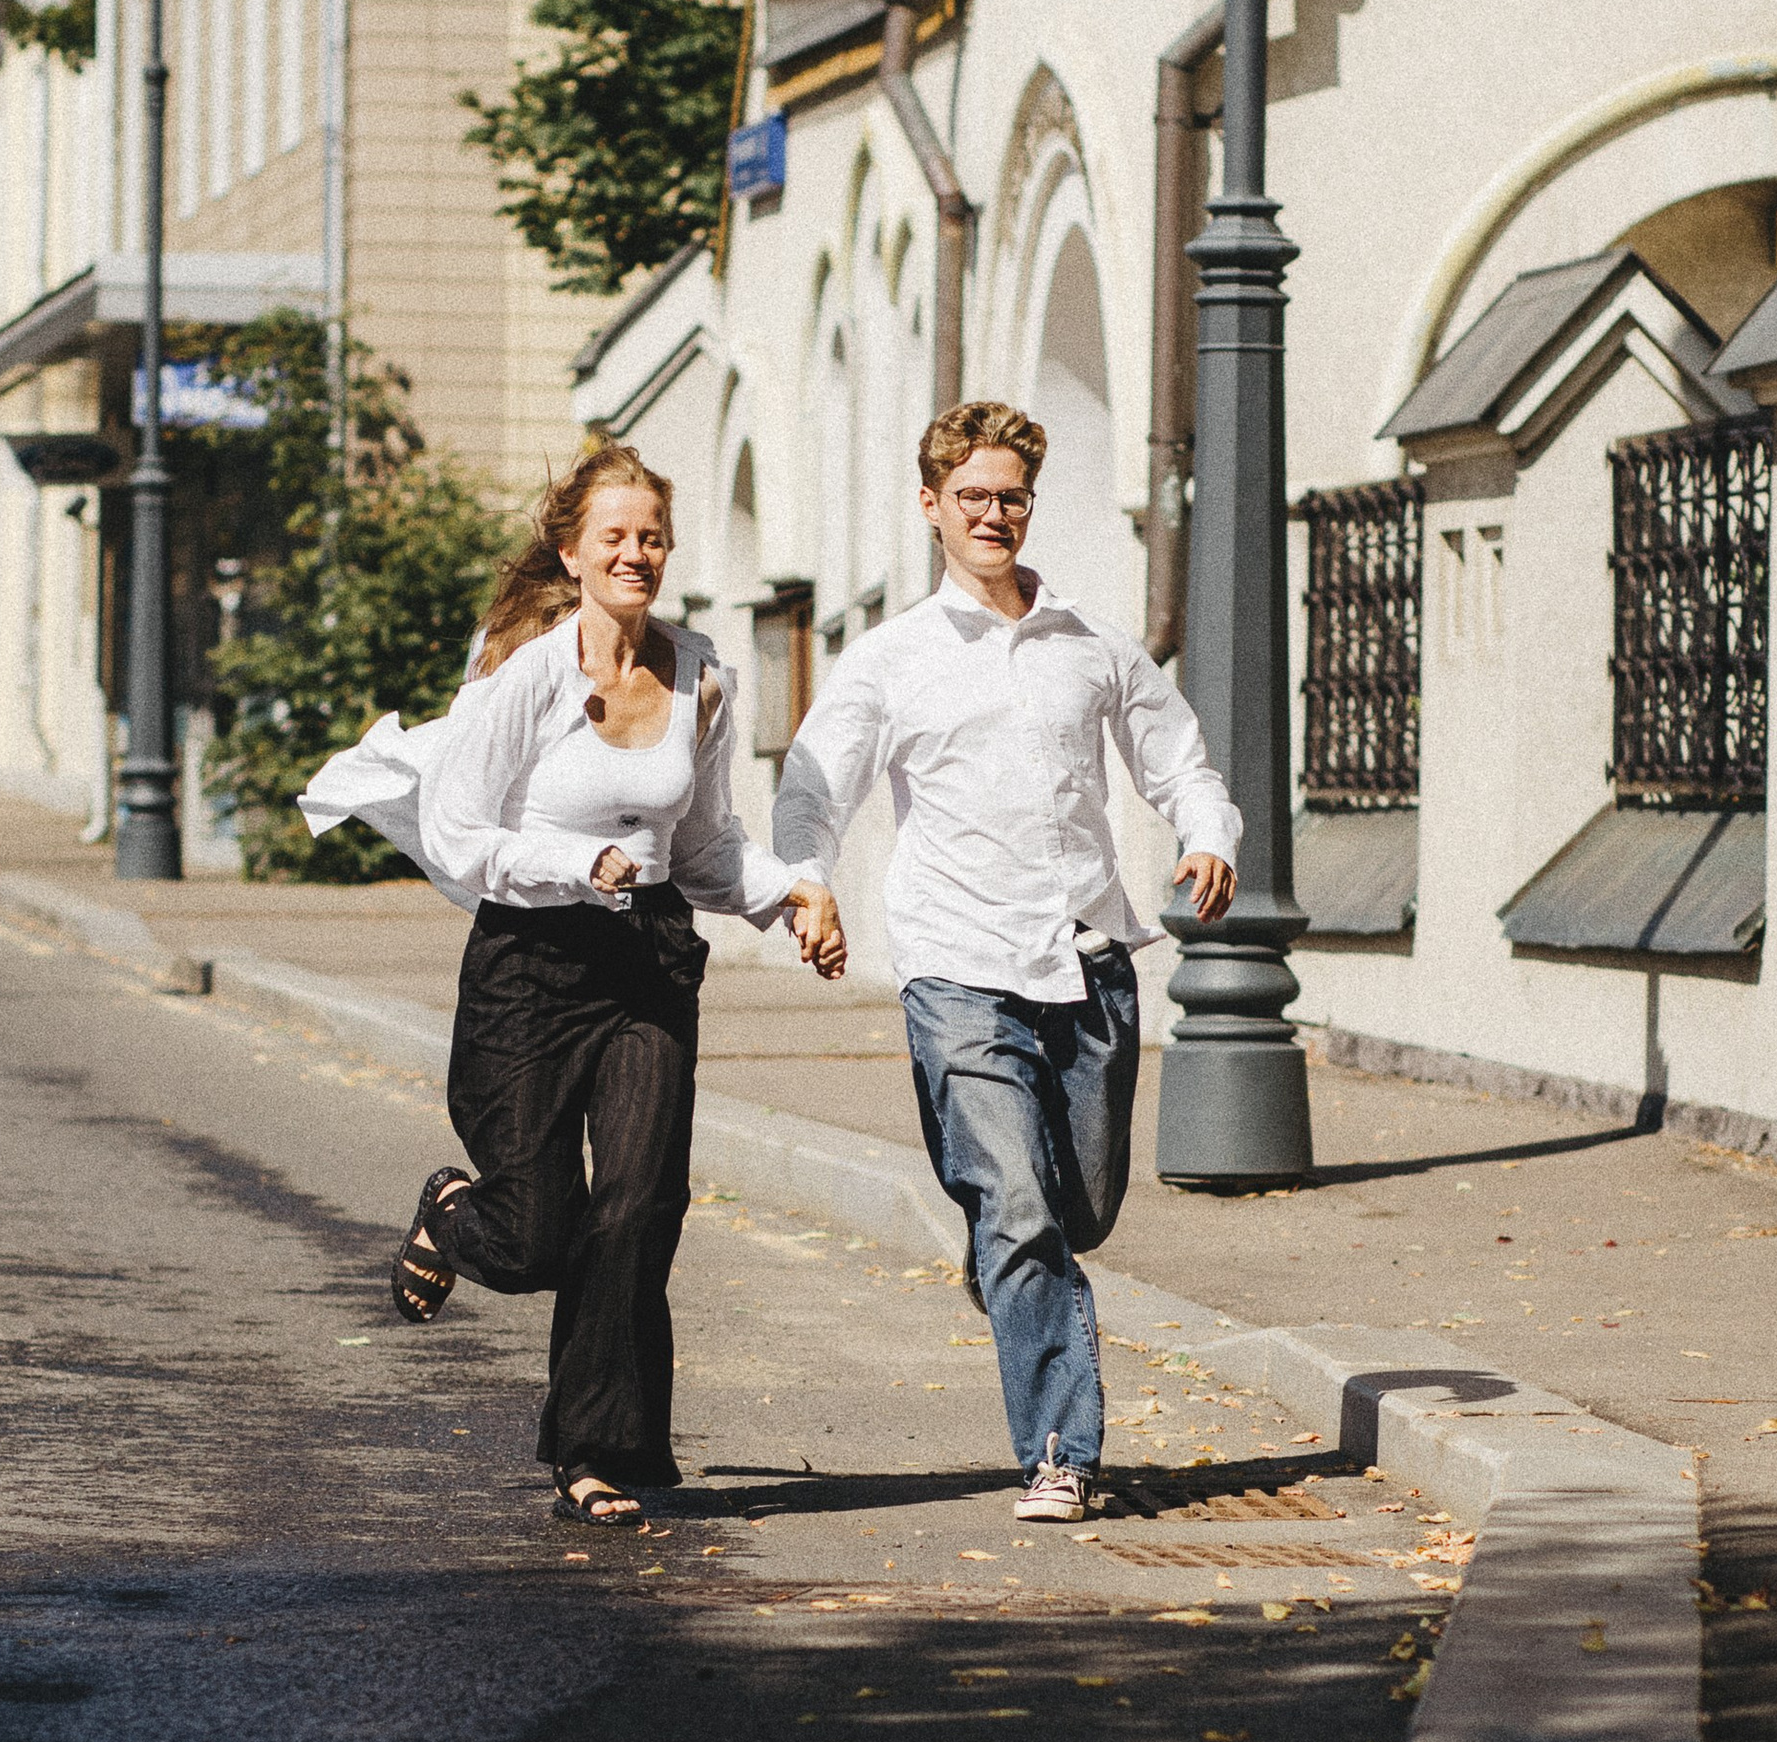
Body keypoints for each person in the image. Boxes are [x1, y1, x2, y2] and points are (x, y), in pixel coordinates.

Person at [771, 398, 1238, 1524]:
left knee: (1076, 1212)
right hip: (957, 964)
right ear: (931, 506)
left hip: (1085, 962)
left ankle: (1007, 1261)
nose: (993, 514)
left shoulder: (1089, 644)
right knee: (1020, 1204)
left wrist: (1207, 832)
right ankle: (1061, 1451)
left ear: (1031, 505)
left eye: (1010, 496)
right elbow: (815, 782)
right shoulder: (893, 659)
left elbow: (1174, 753)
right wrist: (808, 878)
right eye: (970, 496)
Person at [397, 441, 846, 1529]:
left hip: (645, 956)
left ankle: (596, 1451)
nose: (636, 552)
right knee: (539, 1235)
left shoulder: (699, 676)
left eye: (650, 535)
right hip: (529, 960)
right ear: (573, 549)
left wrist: (793, 895)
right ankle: (453, 1212)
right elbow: (456, 833)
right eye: (615, 536)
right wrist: (568, 865)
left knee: (640, 1201)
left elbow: (705, 848)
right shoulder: (528, 676)